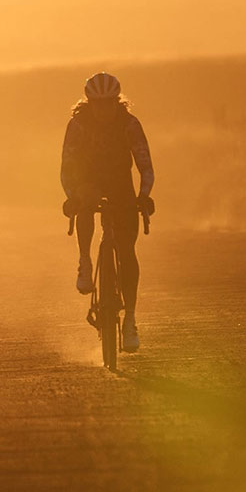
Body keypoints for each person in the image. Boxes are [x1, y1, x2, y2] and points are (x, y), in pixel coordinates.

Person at [60, 72, 154, 352]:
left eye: (109, 103)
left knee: (127, 252)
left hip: (120, 186)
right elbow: (67, 167)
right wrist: (72, 196)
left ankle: (130, 321)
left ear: (117, 101)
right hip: (88, 181)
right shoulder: (78, 125)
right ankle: (85, 261)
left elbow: (145, 164)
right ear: (89, 102)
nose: (103, 109)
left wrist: (143, 197)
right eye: (98, 103)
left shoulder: (129, 124)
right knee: (86, 199)